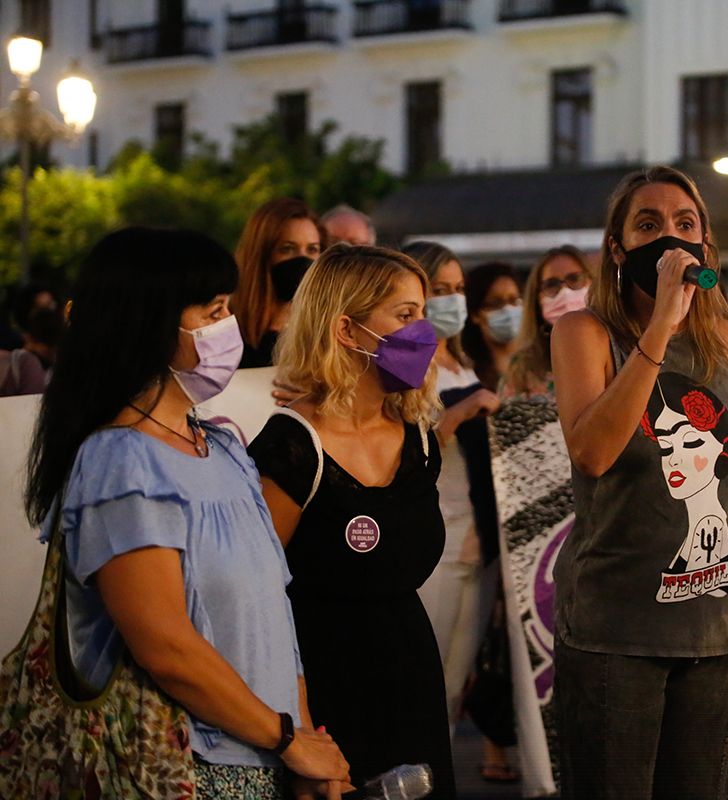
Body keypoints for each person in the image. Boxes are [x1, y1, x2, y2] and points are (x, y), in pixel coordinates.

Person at [23, 227, 351, 798]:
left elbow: (273, 615)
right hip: (184, 769)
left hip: (267, 759)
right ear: (150, 325)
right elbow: (165, 645)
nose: (231, 328)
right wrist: (287, 741)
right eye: (214, 312)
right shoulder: (121, 462)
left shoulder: (222, 448)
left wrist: (302, 742)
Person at [550, 165, 728, 798]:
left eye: (686, 224)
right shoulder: (584, 333)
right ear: (618, 247)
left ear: (705, 247)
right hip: (616, 624)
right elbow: (593, 452)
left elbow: (717, 470)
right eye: (648, 224)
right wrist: (658, 328)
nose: (670, 237)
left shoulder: (727, 343)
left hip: (711, 621)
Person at [248, 245, 455, 796]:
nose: (425, 332)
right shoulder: (293, 445)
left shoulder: (420, 440)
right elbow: (259, 596)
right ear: (347, 329)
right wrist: (298, 730)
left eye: (423, 313)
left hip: (411, 679)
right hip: (321, 692)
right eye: (405, 315)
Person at [402, 240, 517, 783]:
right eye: (437, 290)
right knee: (422, 682)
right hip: (436, 540)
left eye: (455, 289)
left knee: (455, 681)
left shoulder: (462, 358)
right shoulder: (410, 360)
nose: (449, 300)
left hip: (480, 537)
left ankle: (436, 778)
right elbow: (404, 450)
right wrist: (465, 411)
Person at [233, 198, 324, 368]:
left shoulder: (326, 331)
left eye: (312, 249)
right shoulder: (227, 328)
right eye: (287, 249)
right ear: (261, 254)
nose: (302, 259)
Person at [502, 244, 593, 400]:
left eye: (574, 279)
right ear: (538, 298)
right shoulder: (523, 368)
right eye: (551, 285)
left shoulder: (622, 351)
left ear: (594, 283)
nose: (565, 291)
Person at [462, 262, 523, 392]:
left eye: (514, 300)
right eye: (496, 303)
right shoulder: (465, 372)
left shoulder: (541, 364)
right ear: (475, 314)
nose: (507, 309)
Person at [0, 283, 64, 396]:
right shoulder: (20, 362)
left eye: (52, 306)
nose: (49, 315)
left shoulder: (63, 362)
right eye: (41, 309)